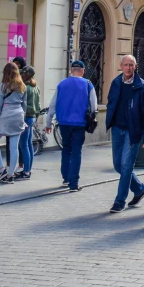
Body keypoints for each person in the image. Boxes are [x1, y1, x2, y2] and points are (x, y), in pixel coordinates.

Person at [105, 55, 144, 213]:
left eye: (131, 65)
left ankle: (119, 201)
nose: (128, 67)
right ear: (121, 66)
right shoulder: (116, 82)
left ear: (135, 66)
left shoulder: (141, 86)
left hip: (133, 130)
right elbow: (111, 102)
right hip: (117, 129)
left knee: (126, 166)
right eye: (125, 65)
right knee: (118, 165)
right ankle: (139, 189)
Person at [46, 60, 97, 192]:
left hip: (63, 122)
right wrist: (90, 117)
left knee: (66, 149)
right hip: (79, 123)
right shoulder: (87, 84)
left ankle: (66, 178)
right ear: (83, 71)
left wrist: (48, 122)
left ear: (71, 70)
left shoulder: (62, 84)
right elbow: (94, 105)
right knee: (76, 152)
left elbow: (53, 104)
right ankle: (73, 183)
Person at [0, 62, 28, 184]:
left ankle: (1, 169)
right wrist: (22, 118)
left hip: (6, 115)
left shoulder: (2, 86)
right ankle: (10, 174)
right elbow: (25, 105)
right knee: (14, 146)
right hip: (19, 115)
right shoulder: (22, 86)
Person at [16, 66, 40, 179]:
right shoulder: (35, 87)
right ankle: (28, 169)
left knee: (23, 144)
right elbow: (38, 105)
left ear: (28, 75)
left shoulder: (25, 87)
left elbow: (21, 103)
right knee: (29, 143)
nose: (21, 75)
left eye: (23, 73)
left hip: (25, 117)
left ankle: (26, 172)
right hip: (32, 117)